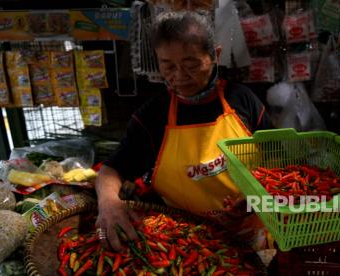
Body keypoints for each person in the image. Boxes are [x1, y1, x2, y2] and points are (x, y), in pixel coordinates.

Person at [95, 10, 272, 252]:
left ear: (215, 55)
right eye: (167, 66)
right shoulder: (152, 116)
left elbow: (276, 160)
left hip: (252, 233)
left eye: (191, 64)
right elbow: (112, 169)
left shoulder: (242, 100)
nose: (179, 76)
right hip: (186, 243)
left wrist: (258, 201)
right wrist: (108, 203)